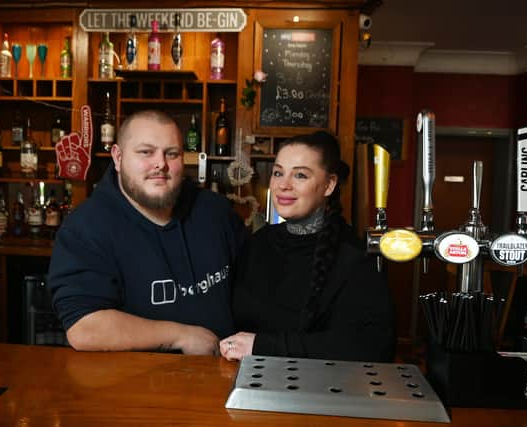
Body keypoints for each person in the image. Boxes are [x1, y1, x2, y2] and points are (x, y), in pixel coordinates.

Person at [49, 110, 246, 354]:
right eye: (146, 152)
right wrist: (181, 335)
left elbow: (253, 289)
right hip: (135, 384)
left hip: (224, 376)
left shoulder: (216, 212)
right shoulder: (86, 227)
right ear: (118, 158)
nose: (160, 164)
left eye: (171, 154)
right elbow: (84, 327)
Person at [220, 131, 394, 362]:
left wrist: (264, 346)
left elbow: (372, 346)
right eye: (278, 173)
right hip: (245, 384)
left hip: (322, 391)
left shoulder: (357, 256)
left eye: (300, 175)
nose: (283, 185)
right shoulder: (256, 244)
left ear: (329, 185)